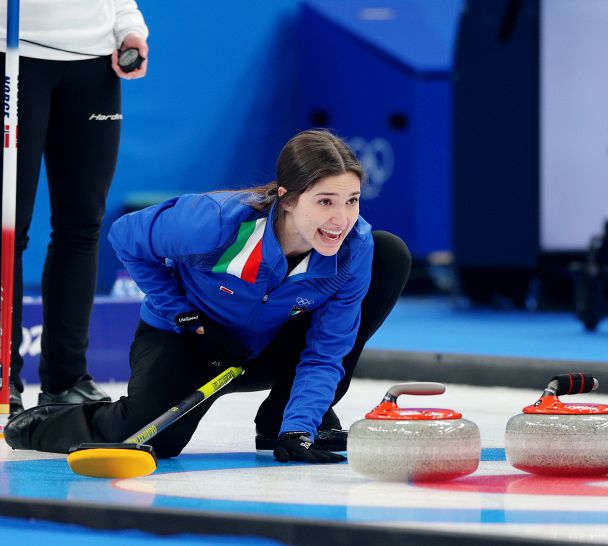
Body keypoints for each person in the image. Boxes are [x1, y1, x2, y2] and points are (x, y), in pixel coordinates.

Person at [4, 129, 411, 464]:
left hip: (269, 347)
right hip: (189, 341)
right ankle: (34, 424)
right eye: (325, 202)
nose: (341, 220)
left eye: (352, 201)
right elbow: (124, 237)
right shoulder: (215, 223)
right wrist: (184, 317)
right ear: (287, 198)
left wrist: (298, 429)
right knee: (151, 439)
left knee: (390, 252)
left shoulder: (355, 247)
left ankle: (282, 419)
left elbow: (327, 349)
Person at [0, 0, 150, 417]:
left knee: (81, 226)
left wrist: (129, 28)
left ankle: (66, 381)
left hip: (95, 64)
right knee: (10, 227)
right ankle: (2, 376)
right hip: (14, 55)